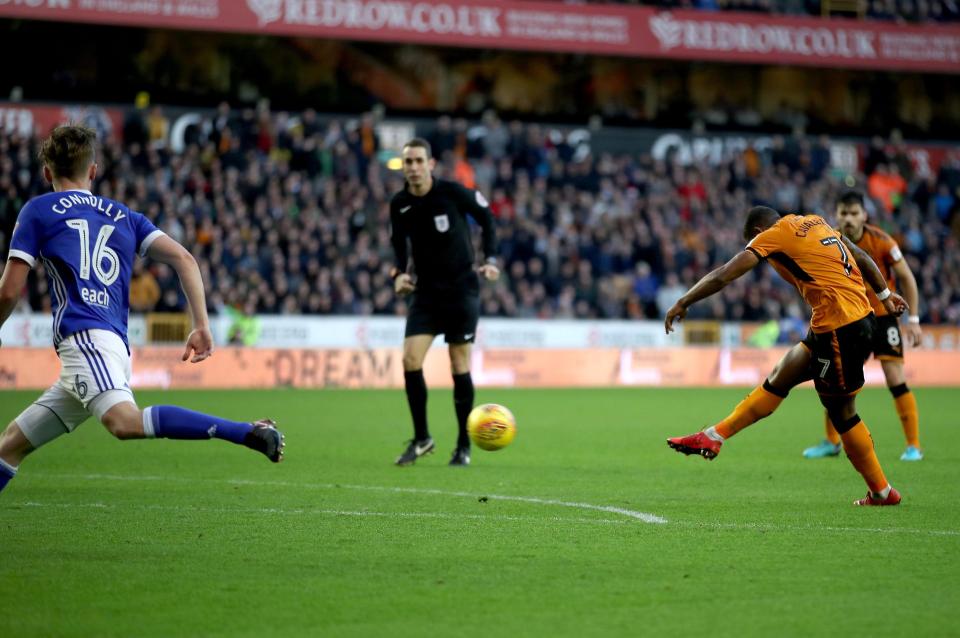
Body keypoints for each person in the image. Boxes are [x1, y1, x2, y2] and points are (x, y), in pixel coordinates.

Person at [0, 125, 284, 496]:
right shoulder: (124, 216)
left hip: (87, 342)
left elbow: (8, 291)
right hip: (110, 348)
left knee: (124, 423)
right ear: (93, 171)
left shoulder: (38, 210)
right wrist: (201, 324)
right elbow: (185, 258)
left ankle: (246, 432)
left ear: (47, 173)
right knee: (9, 447)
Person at [664, 206, 909, 506]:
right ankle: (715, 435)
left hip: (839, 328)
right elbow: (862, 257)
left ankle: (882, 492)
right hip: (855, 319)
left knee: (842, 412)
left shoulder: (773, 235)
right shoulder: (815, 222)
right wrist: (885, 296)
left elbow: (725, 274)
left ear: (757, 233)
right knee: (785, 371)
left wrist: (683, 300)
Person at [389, 138, 499, 467]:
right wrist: (398, 274)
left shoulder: (453, 192)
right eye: (408, 162)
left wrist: (490, 258)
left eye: (418, 161)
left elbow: (487, 218)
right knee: (410, 359)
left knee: (458, 365)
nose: (413, 167)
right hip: (425, 293)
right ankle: (422, 438)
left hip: (461, 290)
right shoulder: (400, 204)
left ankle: (463, 444)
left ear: (430, 164)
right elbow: (398, 244)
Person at [803, 190, 923, 461]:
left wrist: (914, 319)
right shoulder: (827, 240)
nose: (848, 219)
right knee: (836, 380)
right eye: (843, 213)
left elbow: (906, 276)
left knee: (894, 377)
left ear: (864, 215)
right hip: (849, 319)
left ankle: (913, 445)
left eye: (854, 213)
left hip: (882, 315)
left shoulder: (881, 241)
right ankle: (831, 442)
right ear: (836, 215)